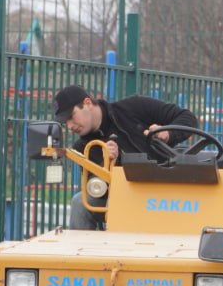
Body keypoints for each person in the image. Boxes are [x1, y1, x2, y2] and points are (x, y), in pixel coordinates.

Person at [52, 84, 197, 229]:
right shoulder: (84, 147)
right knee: (80, 203)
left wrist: (168, 133)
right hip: (123, 199)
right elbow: (96, 189)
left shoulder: (134, 107)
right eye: (65, 123)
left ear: (87, 103)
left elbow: (188, 118)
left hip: (165, 192)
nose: (70, 126)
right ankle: (83, 250)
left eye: (71, 116)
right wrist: (106, 164)